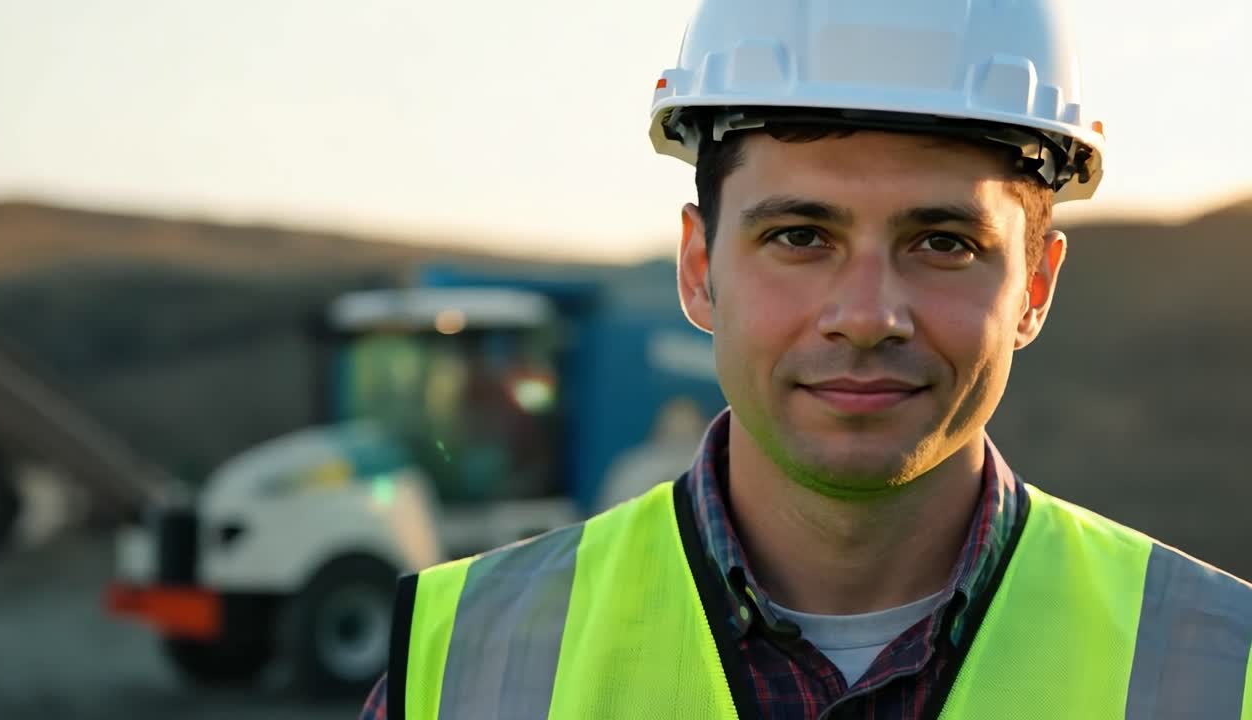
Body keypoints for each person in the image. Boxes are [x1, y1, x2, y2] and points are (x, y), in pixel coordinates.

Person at [361, 0, 1252, 717]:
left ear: (1035, 287)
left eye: (943, 243)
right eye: (799, 235)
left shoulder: (1222, 666)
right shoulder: (458, 667)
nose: (867, 317)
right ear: (700, 269)